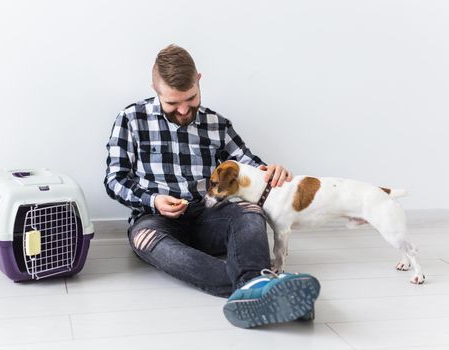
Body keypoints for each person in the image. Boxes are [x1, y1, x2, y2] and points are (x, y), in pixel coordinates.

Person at [104, 44, 320, 328]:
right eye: (172, 103)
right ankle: (259, 287)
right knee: (145, 239)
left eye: (191, 98)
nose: (183, 109)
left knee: (250, 211)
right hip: (155, 218)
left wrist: (272, 172)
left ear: (199, 81)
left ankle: (257, 288)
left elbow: (250, 165)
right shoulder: (131, 119)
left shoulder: (216, 124)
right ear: (155, 88)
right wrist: (153, 200)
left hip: (209, 212)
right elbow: (114, 179)